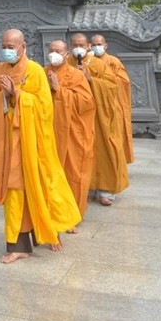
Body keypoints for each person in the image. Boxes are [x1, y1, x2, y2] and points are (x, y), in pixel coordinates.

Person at [0, 29, 81, 263]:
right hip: (9, 143)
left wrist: (16, 93)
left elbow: (45, 108)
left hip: (33, 143)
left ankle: (50, 228)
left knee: (42, 185)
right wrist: (5, 97)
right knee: (14, 189)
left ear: (23, 46)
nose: (8, 50)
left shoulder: (35, 71)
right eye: (4, 45)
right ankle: (19, 245)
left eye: (12, 46)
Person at [69, 33, 128, 207]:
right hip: (78, 115)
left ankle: (106, 190)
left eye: (81, 44)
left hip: (100, 114)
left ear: (87, 46)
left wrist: (90, 79)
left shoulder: (98, 64)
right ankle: (88, 187)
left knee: (105, 149)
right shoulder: (67, 64)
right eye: (74, 45)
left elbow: (112, 85)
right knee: (82, 151)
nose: (78, 48)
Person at [45, 39, 96, 224]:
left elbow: (87, 102)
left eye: (58, 50)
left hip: (71, 133)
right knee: (49, 174)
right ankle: (52, 214)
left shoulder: (75, 75)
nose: (54, 54)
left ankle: (74, 215)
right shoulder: (43, 72)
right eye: (51, 50)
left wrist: (59, 90)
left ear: (66, 54)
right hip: (48, 132)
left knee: (73, 174)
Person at [90, 33, 134, 165]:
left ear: (105, 45)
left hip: (113, 104)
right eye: (94, 45)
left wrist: (102, 81)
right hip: (95, 104)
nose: (97, 47)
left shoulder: (113, 61)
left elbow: (123, 82)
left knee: (115, 135)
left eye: (99, 44)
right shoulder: (88, 61)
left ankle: (117, 162)